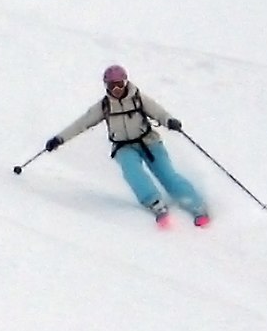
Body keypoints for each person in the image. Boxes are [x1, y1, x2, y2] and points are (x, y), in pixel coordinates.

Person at [45, 64, 210, 226]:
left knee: (167, 174)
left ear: (126, 82)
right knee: (133, 173)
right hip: (123, 147)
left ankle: (195, 206)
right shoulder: (104, 105)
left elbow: (158, 112)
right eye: (112, 85)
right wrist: (59, 139)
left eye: (119, 84)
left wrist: (169, 121)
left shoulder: (138, 98)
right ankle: (155, 203)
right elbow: (82, 123)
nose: (116, 89)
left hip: (148, 141)